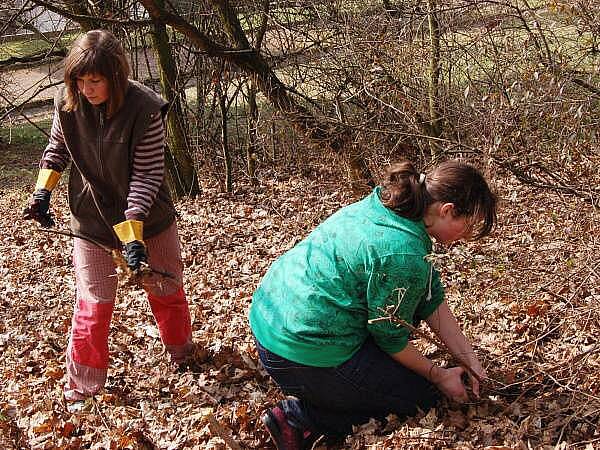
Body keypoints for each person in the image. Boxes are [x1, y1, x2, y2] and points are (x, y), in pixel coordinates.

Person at [249, 160, 497, 449]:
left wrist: (471, 361)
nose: (466, 237)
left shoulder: (387, 204)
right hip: (300, 353)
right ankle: (298, 419)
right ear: (448, 211)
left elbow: (431, 299)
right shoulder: (403, 253)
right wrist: (440, 376)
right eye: (467, 226)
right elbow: (390, 337)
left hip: (270, 322)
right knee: (420, 397)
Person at [23, 29, 196, 402]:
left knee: (165, 289)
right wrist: (42, 193)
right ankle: (82, 389)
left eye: (95, 81)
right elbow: (57, 148)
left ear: (115, 76)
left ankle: (184, 356)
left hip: (149, 217)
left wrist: (134, 235)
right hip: (92, 219)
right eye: (79, 80)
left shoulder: (145, 108)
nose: (86, 89)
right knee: (94, 303)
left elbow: (147, 175)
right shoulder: (68, 103)